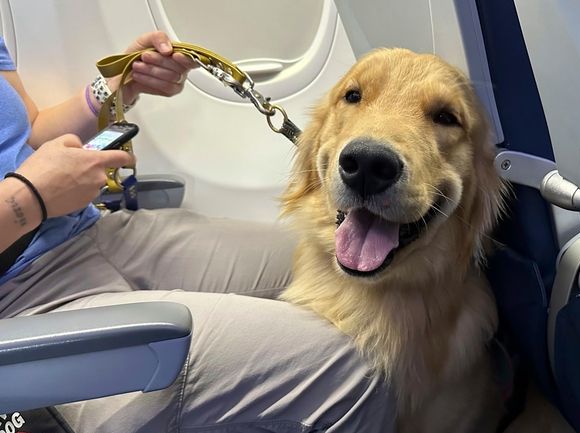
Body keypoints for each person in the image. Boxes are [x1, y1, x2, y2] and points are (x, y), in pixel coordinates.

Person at [0, 31, 394, 432]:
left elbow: (26, 133)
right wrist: (27, 198)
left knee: (338, 267)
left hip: (86, 231)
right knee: (352, 371)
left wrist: (117, 85)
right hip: (20, 296)